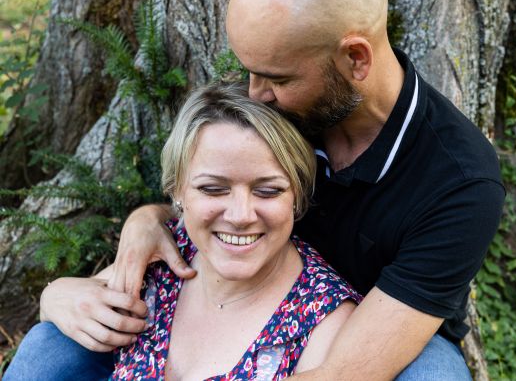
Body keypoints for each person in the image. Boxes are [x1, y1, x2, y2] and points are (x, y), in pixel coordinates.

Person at [10, 0, 505, 380]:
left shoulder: (459, 181)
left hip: (364, 331)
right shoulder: (280, 97)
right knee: (53, 344)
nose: (256, 93)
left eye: (277, 78)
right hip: (227, 295)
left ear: (355, 59)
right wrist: (144, 221)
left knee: (435, 374)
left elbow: (343, 373)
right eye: (251, 71)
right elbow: (207, 190)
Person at [6, 82, 359, 380]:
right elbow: (68, 325)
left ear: (297, 195)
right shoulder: (162, 261)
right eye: (212, 189)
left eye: (268, 190)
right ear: (177, 191)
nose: (240, 215)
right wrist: (53, 296)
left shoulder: (323, 323)